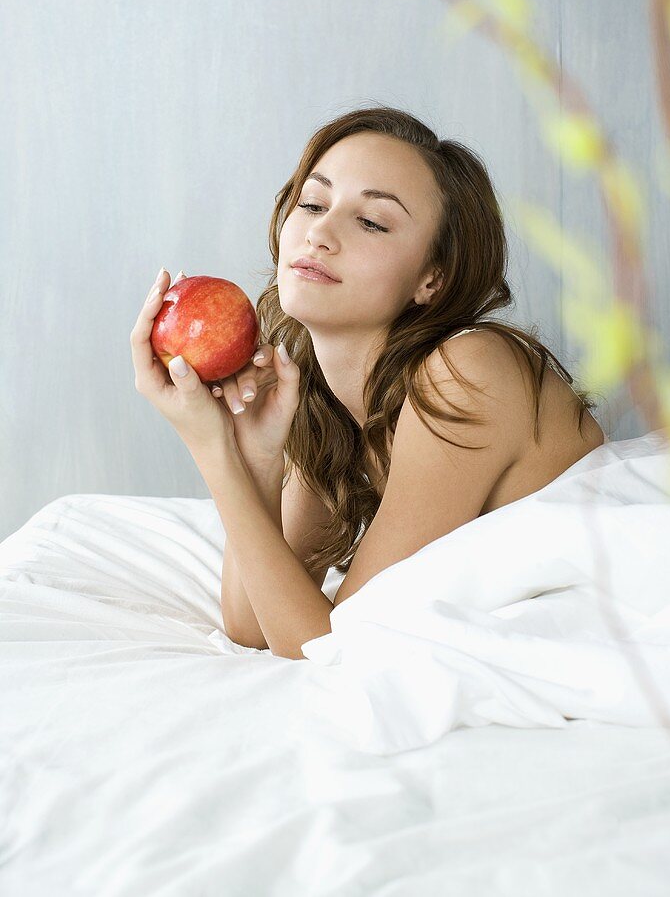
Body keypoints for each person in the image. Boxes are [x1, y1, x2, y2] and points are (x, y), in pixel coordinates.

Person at [131, 105, 605, 651]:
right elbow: (252, 626)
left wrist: (211, 451)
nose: (320, 233)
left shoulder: (467, 372)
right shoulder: (323, 399)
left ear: (432, 277)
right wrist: (254, 458)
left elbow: (334, 644)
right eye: (312, 203)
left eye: (371, 221)